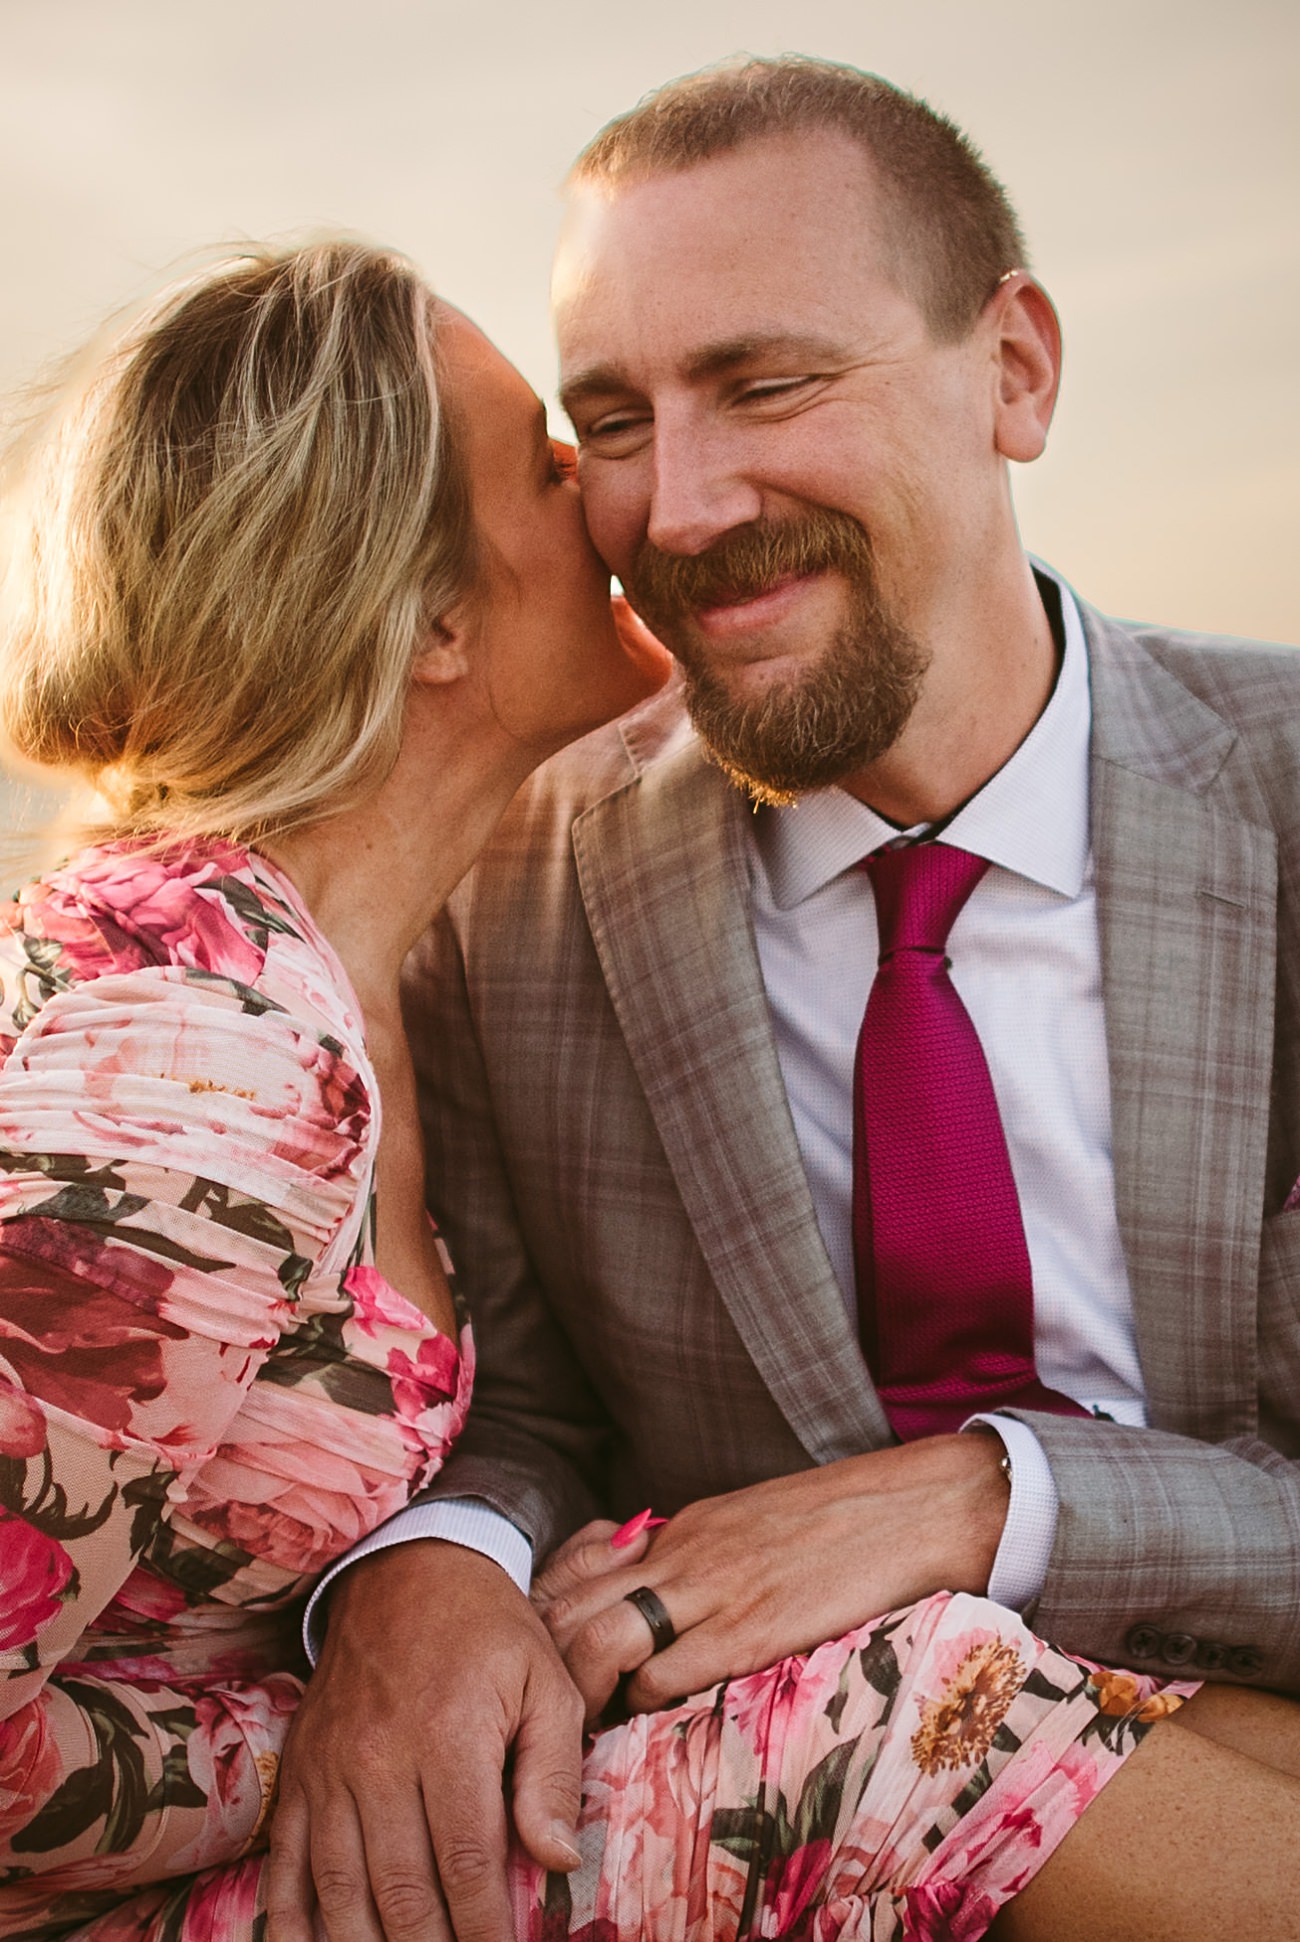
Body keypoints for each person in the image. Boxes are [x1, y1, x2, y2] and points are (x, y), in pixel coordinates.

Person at [0, 235, 1224, 1942]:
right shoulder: (203, 1046)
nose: (615, 498)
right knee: (913, 1718)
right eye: (546, 454)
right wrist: (344, 1740)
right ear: (426, 613)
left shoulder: (387, 975)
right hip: (200, 1893)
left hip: (343, 1825)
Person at [269, 55, 1300, 1942]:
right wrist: (431, 1569)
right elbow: (527, 1406)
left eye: (765, 383)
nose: (683, 502)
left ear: (1018, 370)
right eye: (612, 421)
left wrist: (980, 1503)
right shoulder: (517, 884)